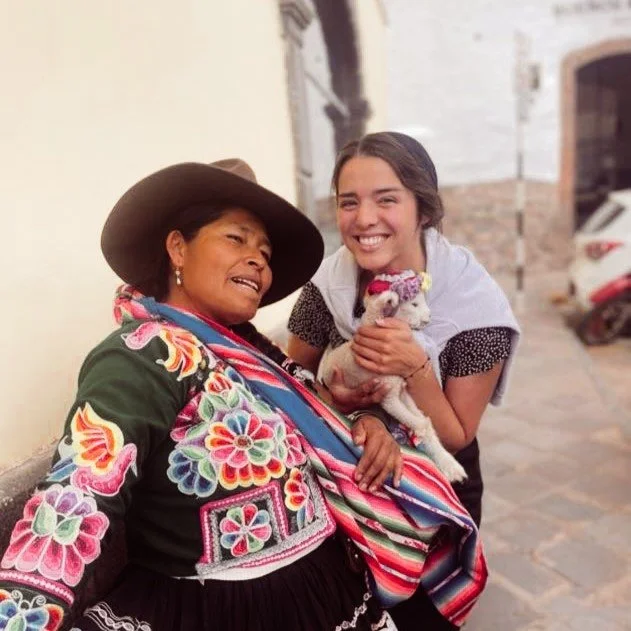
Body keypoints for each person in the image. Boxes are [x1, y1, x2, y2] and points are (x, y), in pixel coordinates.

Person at [0, 158, 485, 631]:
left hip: (325, 594)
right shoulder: (141, 357)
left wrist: (366, 422)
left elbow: (317, 412)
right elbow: (76, 498)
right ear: (178, 248)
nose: (257, 259)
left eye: (265, 253)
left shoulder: (255, 354)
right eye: (236, 238)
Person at [287, 132, 520, 629]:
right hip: (346, 483)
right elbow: (292, 383)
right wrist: (339, 401)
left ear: (424, 209)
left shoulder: (475, 308)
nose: (364, 219)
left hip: (432, 489)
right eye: (349, 202)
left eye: (386, 199)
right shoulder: (327, 288)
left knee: (419, 619)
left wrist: (414, 367)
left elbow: (457, 435)